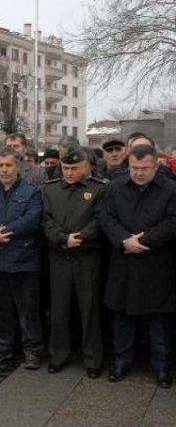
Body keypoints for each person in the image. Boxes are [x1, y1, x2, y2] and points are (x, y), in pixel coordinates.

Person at [100, 144, 176, 388]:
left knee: (158, 321)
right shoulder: (115, 187)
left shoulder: (170, 189)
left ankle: (162, 368)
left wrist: (142, 241)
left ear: (156, 166)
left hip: (156, 263)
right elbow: (106, 217)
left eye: (145, 168)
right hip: (125, 262)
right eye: (134, 168)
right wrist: (124, 241)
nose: (139, 173)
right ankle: (122, 362)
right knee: (123, 316)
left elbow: (172, 222)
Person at [0, 148, 44, 370]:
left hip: (22, 259)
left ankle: (32, 351)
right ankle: (2, 348)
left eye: (8, 165)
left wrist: (5, 232)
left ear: (19, 166)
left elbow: (32, 219)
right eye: (0, 165)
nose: (4, 170)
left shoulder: (31, 191)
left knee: (27, 309)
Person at [42, 148, 106, 378]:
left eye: (74, 168)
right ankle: (58, 356)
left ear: (85, 167)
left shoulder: (98, 189)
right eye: (65, 168)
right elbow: (46, 220)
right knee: (59, 309)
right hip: (59, 257)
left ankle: (92, 359)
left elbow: (100, 220)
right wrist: (62, 239)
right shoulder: (50, 190)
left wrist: (79, 238)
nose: (69, 173)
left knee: (89, 309)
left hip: (86, 258)